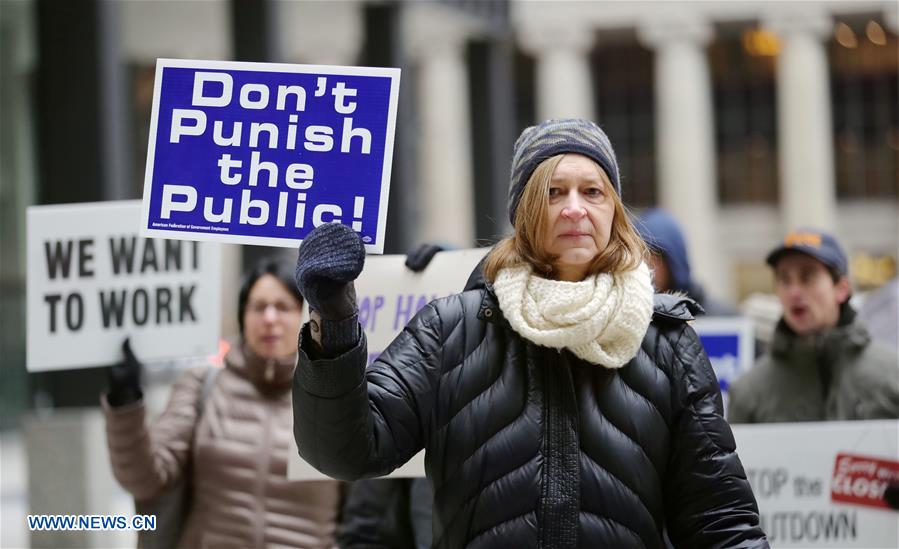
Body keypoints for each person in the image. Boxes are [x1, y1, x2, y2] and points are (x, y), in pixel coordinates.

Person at [292, 118, 768, 548]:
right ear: (524, 214)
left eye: (593, 192)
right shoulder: (449, 330)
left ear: (613, 211)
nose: (574, 209)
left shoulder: (666, 344)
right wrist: (334, 322)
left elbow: (721, 522)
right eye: (553, 193)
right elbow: (346, 451)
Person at [102, 257, 344, 548]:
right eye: (258, 307)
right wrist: (126, 403)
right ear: (242, 316)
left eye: (283, 307)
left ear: (307, 317)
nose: (270, 318)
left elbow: (364, 514)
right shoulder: (202, 385)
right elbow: (146, 479)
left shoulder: (337, 399)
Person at [728, 229, 899, 423]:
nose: (794, 292)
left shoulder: (892, 376)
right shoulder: (748, 393)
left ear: (842, 289)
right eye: (784, 279)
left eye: (807, 278)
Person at [636, 207, 737, 315]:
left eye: (656, 256)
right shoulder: (632, 317)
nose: (647, 265)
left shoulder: (719, 317)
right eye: (641, 256)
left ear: (674, 262)